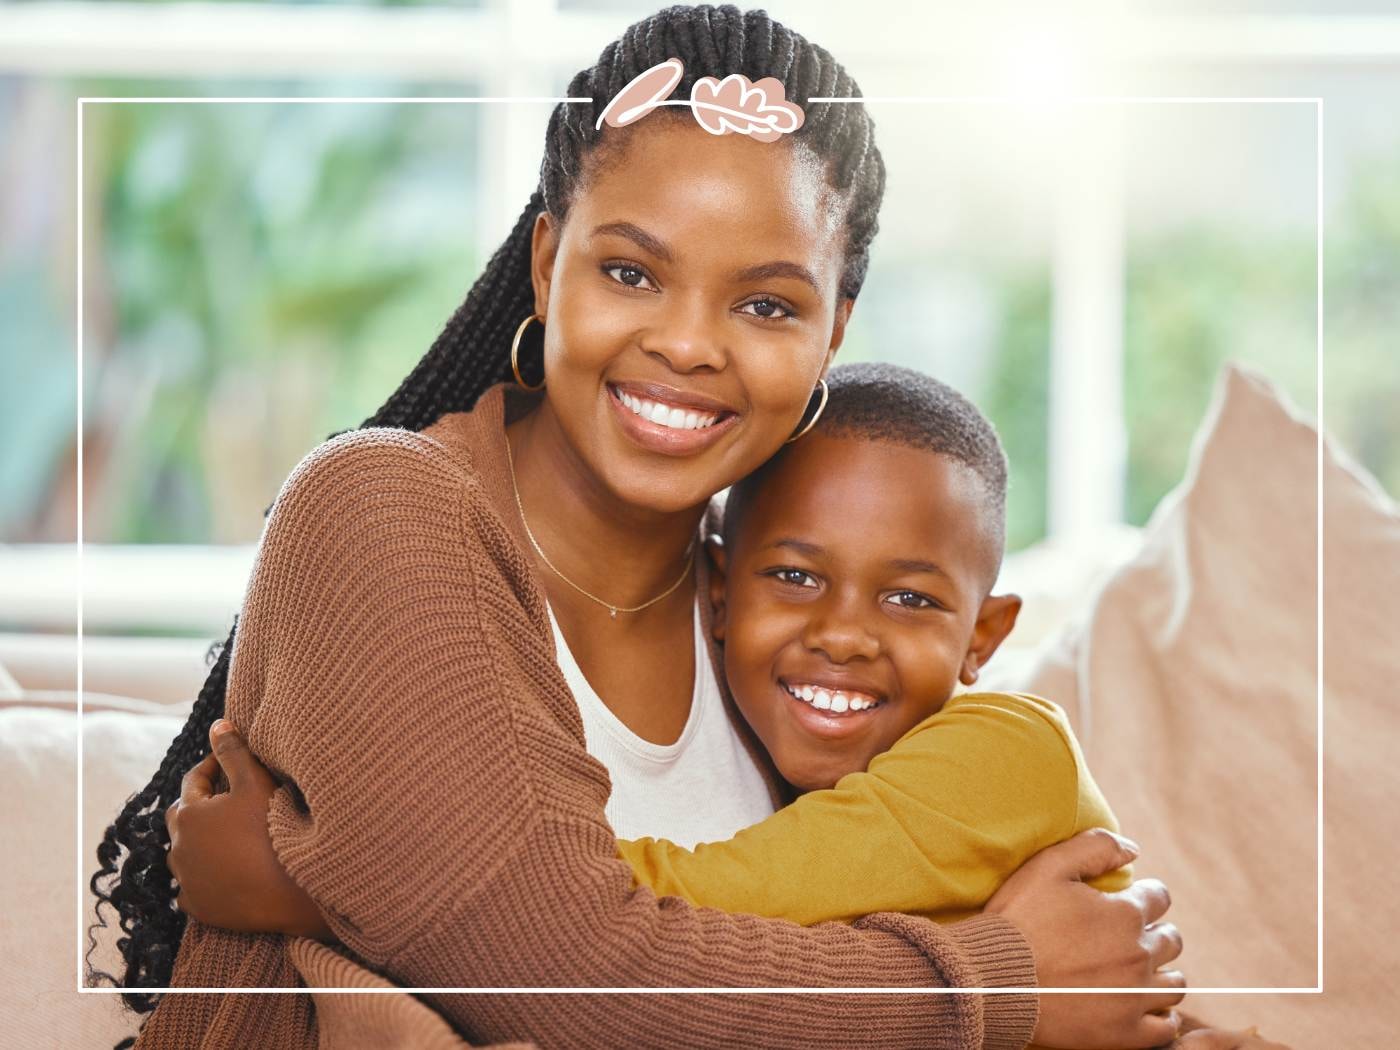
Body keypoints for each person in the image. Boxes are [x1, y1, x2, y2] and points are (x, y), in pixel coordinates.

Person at [92, 6, 1188, 1048]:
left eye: (764, 304)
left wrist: (339, 901)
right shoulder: (382, 510)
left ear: (832, 330)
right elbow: (572, 979)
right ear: (544, 264)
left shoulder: (768, 614)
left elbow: (591, 950)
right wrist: (994, 983)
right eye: (629, 272)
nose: (688, 345)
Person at [172, 365, 1285, 1050]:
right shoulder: (787, 757)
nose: (842, 631)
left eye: (907, 598)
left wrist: (335, 886)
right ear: (717, 592)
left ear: (984, 637)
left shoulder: (1000, 752)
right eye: (794, 577)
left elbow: (606, 921)